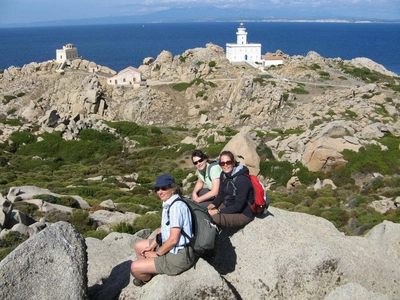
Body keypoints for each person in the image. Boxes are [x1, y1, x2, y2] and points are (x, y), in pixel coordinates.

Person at [130, 174, 195, 287]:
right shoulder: (168, 203)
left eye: (164, 188)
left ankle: (147, 279)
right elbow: (163, 229)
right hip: (170, 247)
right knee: (139, 246)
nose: (160, 192)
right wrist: (152, 245)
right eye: (157, 189)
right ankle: (150, 268)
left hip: (179, 255)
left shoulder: (176, 207)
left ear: (173, 188)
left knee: (134, 268)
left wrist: (157, 254)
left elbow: (174, 240)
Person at [207, 150, 254, 228]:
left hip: (243, 213)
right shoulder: (224, 175)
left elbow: (238, 206)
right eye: (222, 163)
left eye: (228, 162)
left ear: (233, 162)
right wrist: (212, 205)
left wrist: (216, 211)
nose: (225, 165)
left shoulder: (241, 180)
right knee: (205, 213)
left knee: (210, 219)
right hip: (229, 205)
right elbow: (221, 195)